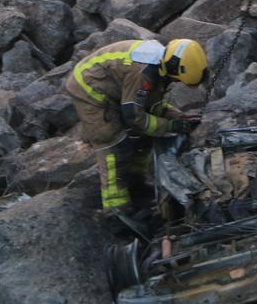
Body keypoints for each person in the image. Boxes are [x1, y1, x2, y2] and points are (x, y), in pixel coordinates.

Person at [65, 38, 208, 218]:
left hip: (113, 85)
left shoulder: (161, 64)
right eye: (176, 80)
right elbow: (135, 117)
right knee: (113, 144)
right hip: (89, 89)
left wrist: (178, 117)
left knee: (146, 135)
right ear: (172, 69)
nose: (176, 83)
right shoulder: (142, 73)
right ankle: (116, 209)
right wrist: (171, 125)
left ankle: (137, 184)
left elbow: (151, 104)